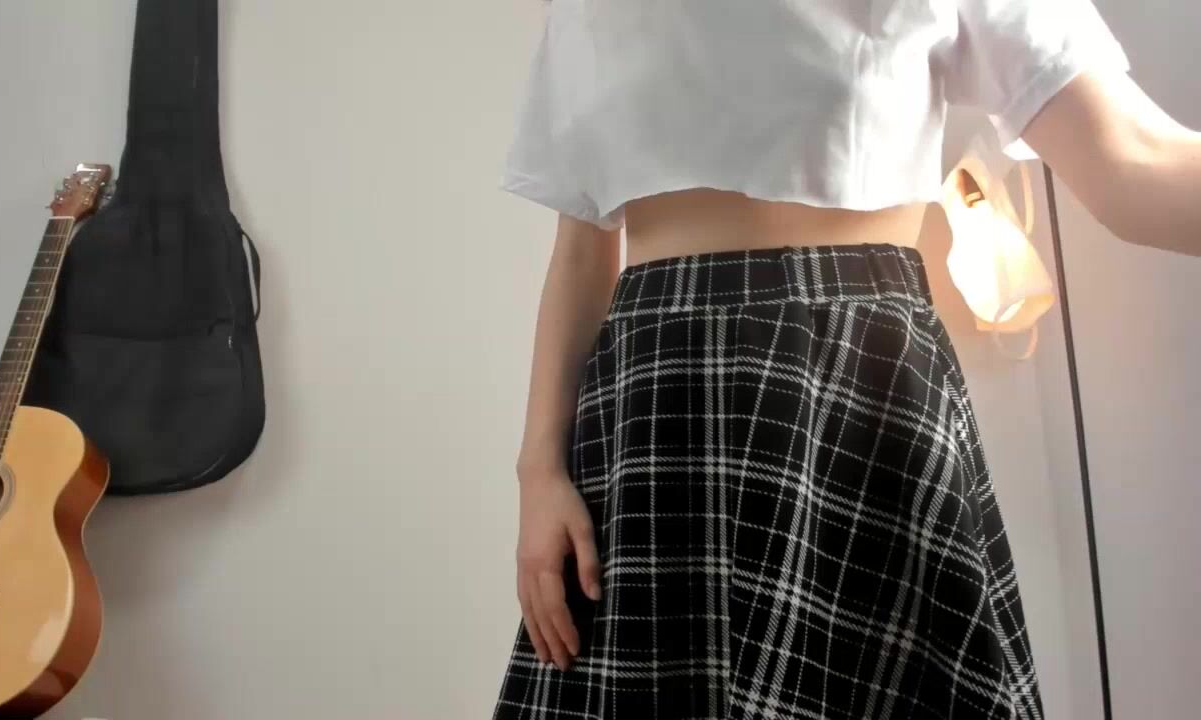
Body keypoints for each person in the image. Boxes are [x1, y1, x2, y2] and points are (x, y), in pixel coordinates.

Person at [493, 1, 1200, 718]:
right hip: (651, 415)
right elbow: (581, 252)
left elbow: (1133, 161)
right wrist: (538, 471)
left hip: (860, 394)